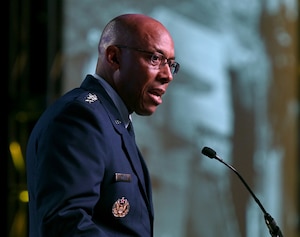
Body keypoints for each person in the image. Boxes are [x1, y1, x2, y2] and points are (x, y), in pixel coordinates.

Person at [26, 13, 180, 237]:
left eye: (171, 64)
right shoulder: (80, 118)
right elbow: (66, 224)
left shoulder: (111, 119)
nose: (167, 75)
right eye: (155, 59)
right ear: (114, 57)